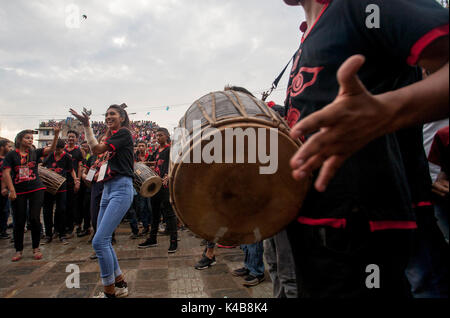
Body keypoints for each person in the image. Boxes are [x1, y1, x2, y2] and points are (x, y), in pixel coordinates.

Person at [281, 0, 449, 298]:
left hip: (363, 231)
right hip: (316, 233)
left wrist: (388, 111)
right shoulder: (309, 34)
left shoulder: (359, 5)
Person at [70, 103, 134, 298]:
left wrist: (88, 126)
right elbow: (100, 147)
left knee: (99, 242)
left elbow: (97, 149)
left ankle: (109, 292)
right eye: (106, 114)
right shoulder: (113, 135)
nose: (108, 116)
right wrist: (88, 123)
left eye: (112, 114)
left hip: (121, 188)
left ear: (122, 117)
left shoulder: (123, 134)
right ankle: (120, 284)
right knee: (103, 240)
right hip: (107, 188)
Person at [2, 125, 61, 261]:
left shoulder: (34, 153)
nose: (30, 140)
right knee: (19, 220)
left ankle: (36, 248)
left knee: (34, 218)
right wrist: (11, 190)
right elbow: (5, 172)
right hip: (18, 189)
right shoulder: (11, 155)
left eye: (31, 138)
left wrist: (56, 134)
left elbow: (51, 149)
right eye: (27, 138)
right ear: (20, 139)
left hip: (36, 188)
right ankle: (18, 250)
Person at [138, 128, 178, 253]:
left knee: (169, 214)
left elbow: (175, 163)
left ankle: (174, 242)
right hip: (155, 186)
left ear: (167, 136)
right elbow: (156, 164)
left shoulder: (170, 149)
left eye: (160, 135)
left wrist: (168, 175)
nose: (158, 137)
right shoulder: (156, 151)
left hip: (165, 186)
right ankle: (152, 239)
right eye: (156, 135)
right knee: (154, 214)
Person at [41, 139, 76, 245]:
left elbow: (71, 170)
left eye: (59, 149)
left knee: (61, 210)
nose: (57, 151)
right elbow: (43, 166)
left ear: (63, 148)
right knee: (47, 210)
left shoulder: (67, 157)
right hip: (48, 187)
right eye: (56, 149)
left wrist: (75, 179)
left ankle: (61, 234)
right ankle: (48, 234)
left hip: (61, 186)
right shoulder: (49, 156)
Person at [64, 130, 82, 237]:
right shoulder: (63, 150)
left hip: (73, 181)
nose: (71, 139)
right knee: (63, 205)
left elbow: (79, 167)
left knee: (73, 205)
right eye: (69, 136)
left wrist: (78, 181)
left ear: (76, 139)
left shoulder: (78, 151)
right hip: (63, 180)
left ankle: (72, 228)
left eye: (73, 137)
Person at [0, 140, 12, 239]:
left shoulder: (8, 160)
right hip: (3, 188)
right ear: (2, 147)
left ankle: (3, 231)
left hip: (6, 189)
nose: (10, 148)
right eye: (8, 146)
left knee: (5, 211)